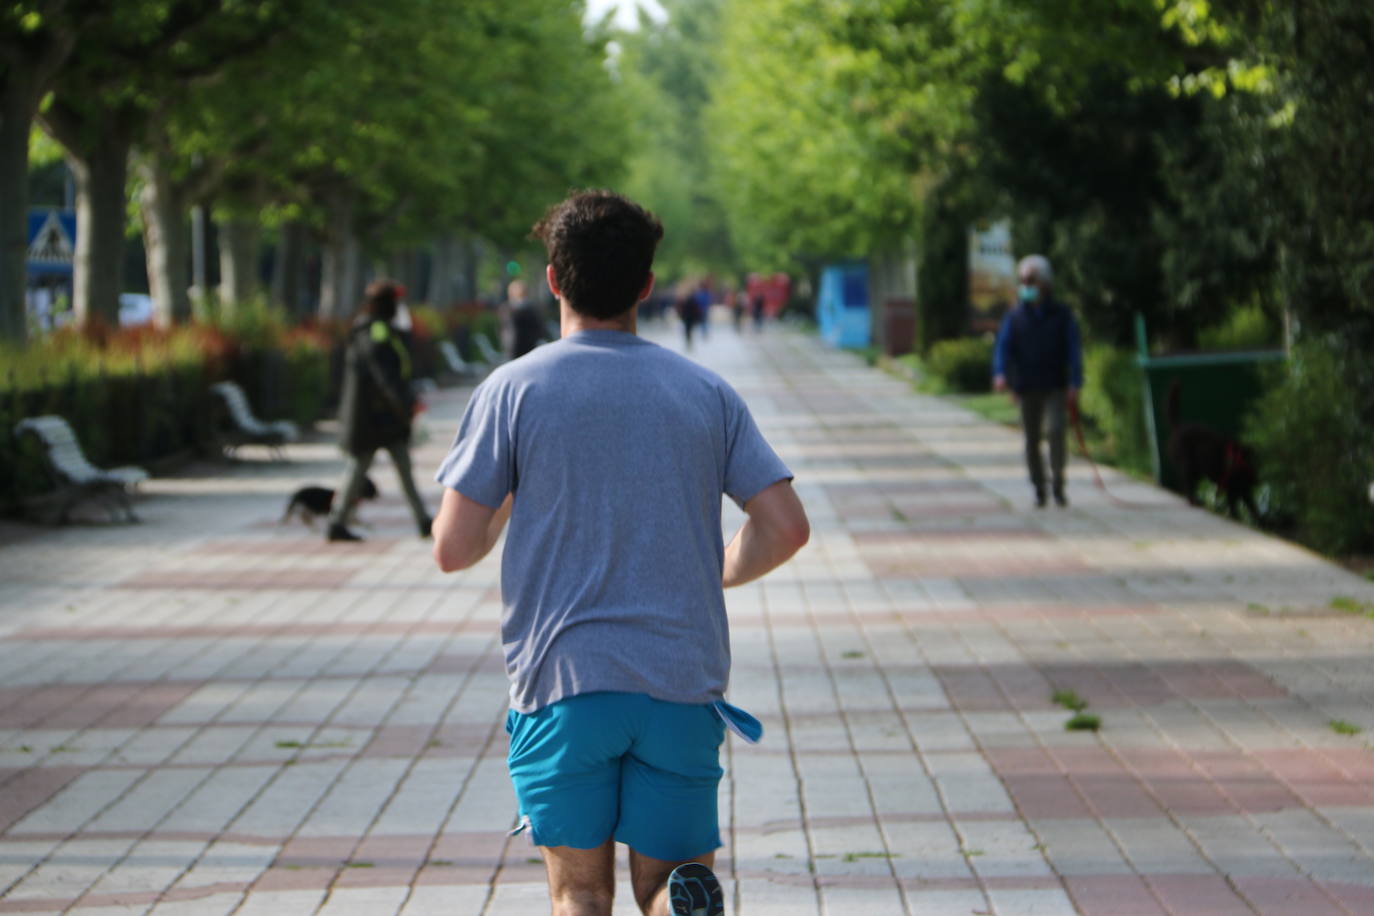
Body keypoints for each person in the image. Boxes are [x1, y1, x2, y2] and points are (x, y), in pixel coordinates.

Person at [432, 190, 809, 916]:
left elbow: (453, 548)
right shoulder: (706, 393)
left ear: (552, 280)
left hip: (562, 683)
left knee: (580, 892)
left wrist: (515, 489)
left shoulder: (512, 391)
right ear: (646, 284)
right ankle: (680, 899)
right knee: (665, 881)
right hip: (680, 679)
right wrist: (722, 568)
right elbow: (787, 526)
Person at [327, 280, 432, 541]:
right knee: (361, 468)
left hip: (384, 418)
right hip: (375, 418)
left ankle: (422, 519)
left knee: (396, 468)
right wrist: (406, 404)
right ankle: (337, 521)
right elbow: (385, 376)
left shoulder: (376, 329)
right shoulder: (375, 332)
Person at [992, 254, 1083, 508]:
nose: (1026, 286)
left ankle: (1058, 485)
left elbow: (1073, 349)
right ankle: (1039, 487)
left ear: (1045, 282)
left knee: (1055, 431)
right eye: (1022, 281)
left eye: (1031, 280)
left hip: (1055, 383)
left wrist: (1075, 381)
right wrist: (1001, 374)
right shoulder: (1015, 315)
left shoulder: (1062, 315)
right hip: (1026, 384)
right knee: (1031, 439)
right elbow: (1003, 347)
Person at [502, 278, 553, 360]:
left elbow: (504, 329)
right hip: (530, 347)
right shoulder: (532, 309)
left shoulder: (507, 309)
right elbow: (540, 328)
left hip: (513, 348)